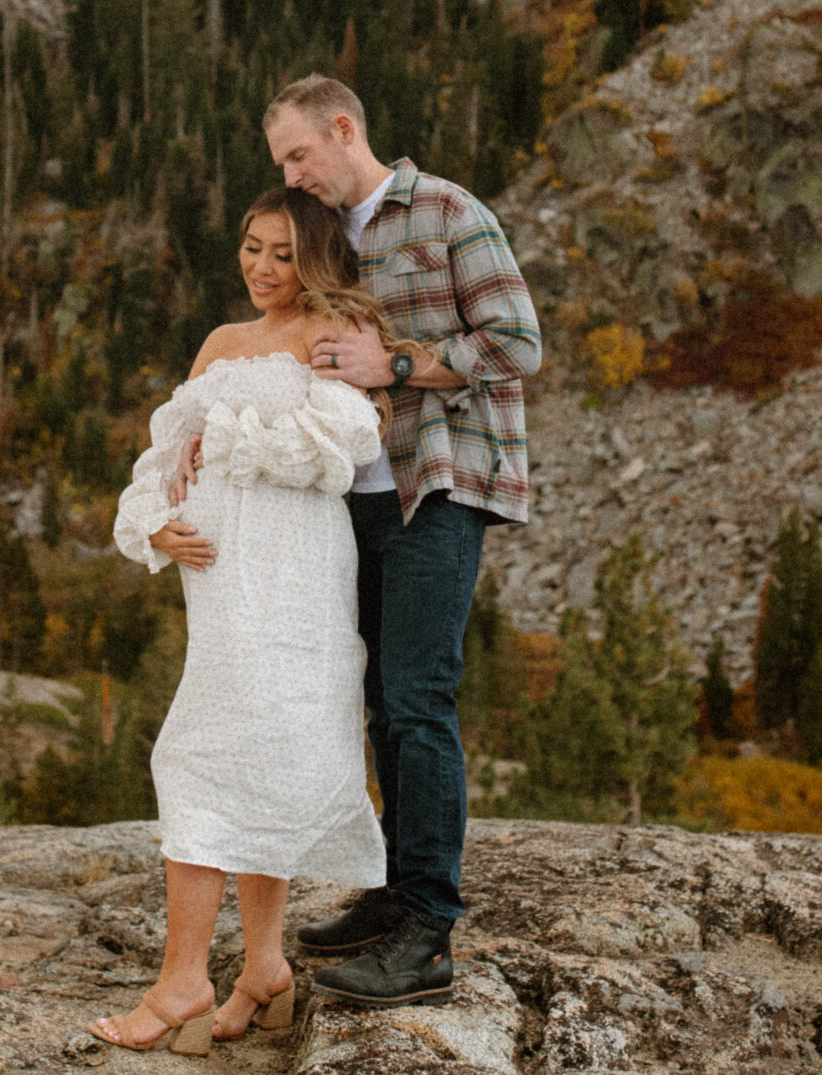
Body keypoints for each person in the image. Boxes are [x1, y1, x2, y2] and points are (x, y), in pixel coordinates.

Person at [92, 188, 401, 1054]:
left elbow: (340, 448)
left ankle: (182, 979)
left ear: (313, 258)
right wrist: (152, 519)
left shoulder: (328, 335)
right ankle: (263, 969)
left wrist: (221, 433)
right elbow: (164, 450)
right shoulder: (221, 343)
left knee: (200, 751)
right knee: (250, 754)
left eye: (282, 253)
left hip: (294, 575)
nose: (262, 269)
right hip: (221, 583)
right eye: (251, 248)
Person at [268, 73, 542, 1006]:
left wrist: (396, 364)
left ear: (344, 129)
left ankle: (428, 933)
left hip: (439, 483)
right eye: (282, 163)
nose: (292, 175)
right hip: (352, 496)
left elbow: (517, 341)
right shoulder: (320, 239)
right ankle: (394, 893)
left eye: (299, 154)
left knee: (420, 697)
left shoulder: (449, 211)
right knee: (381, 700)